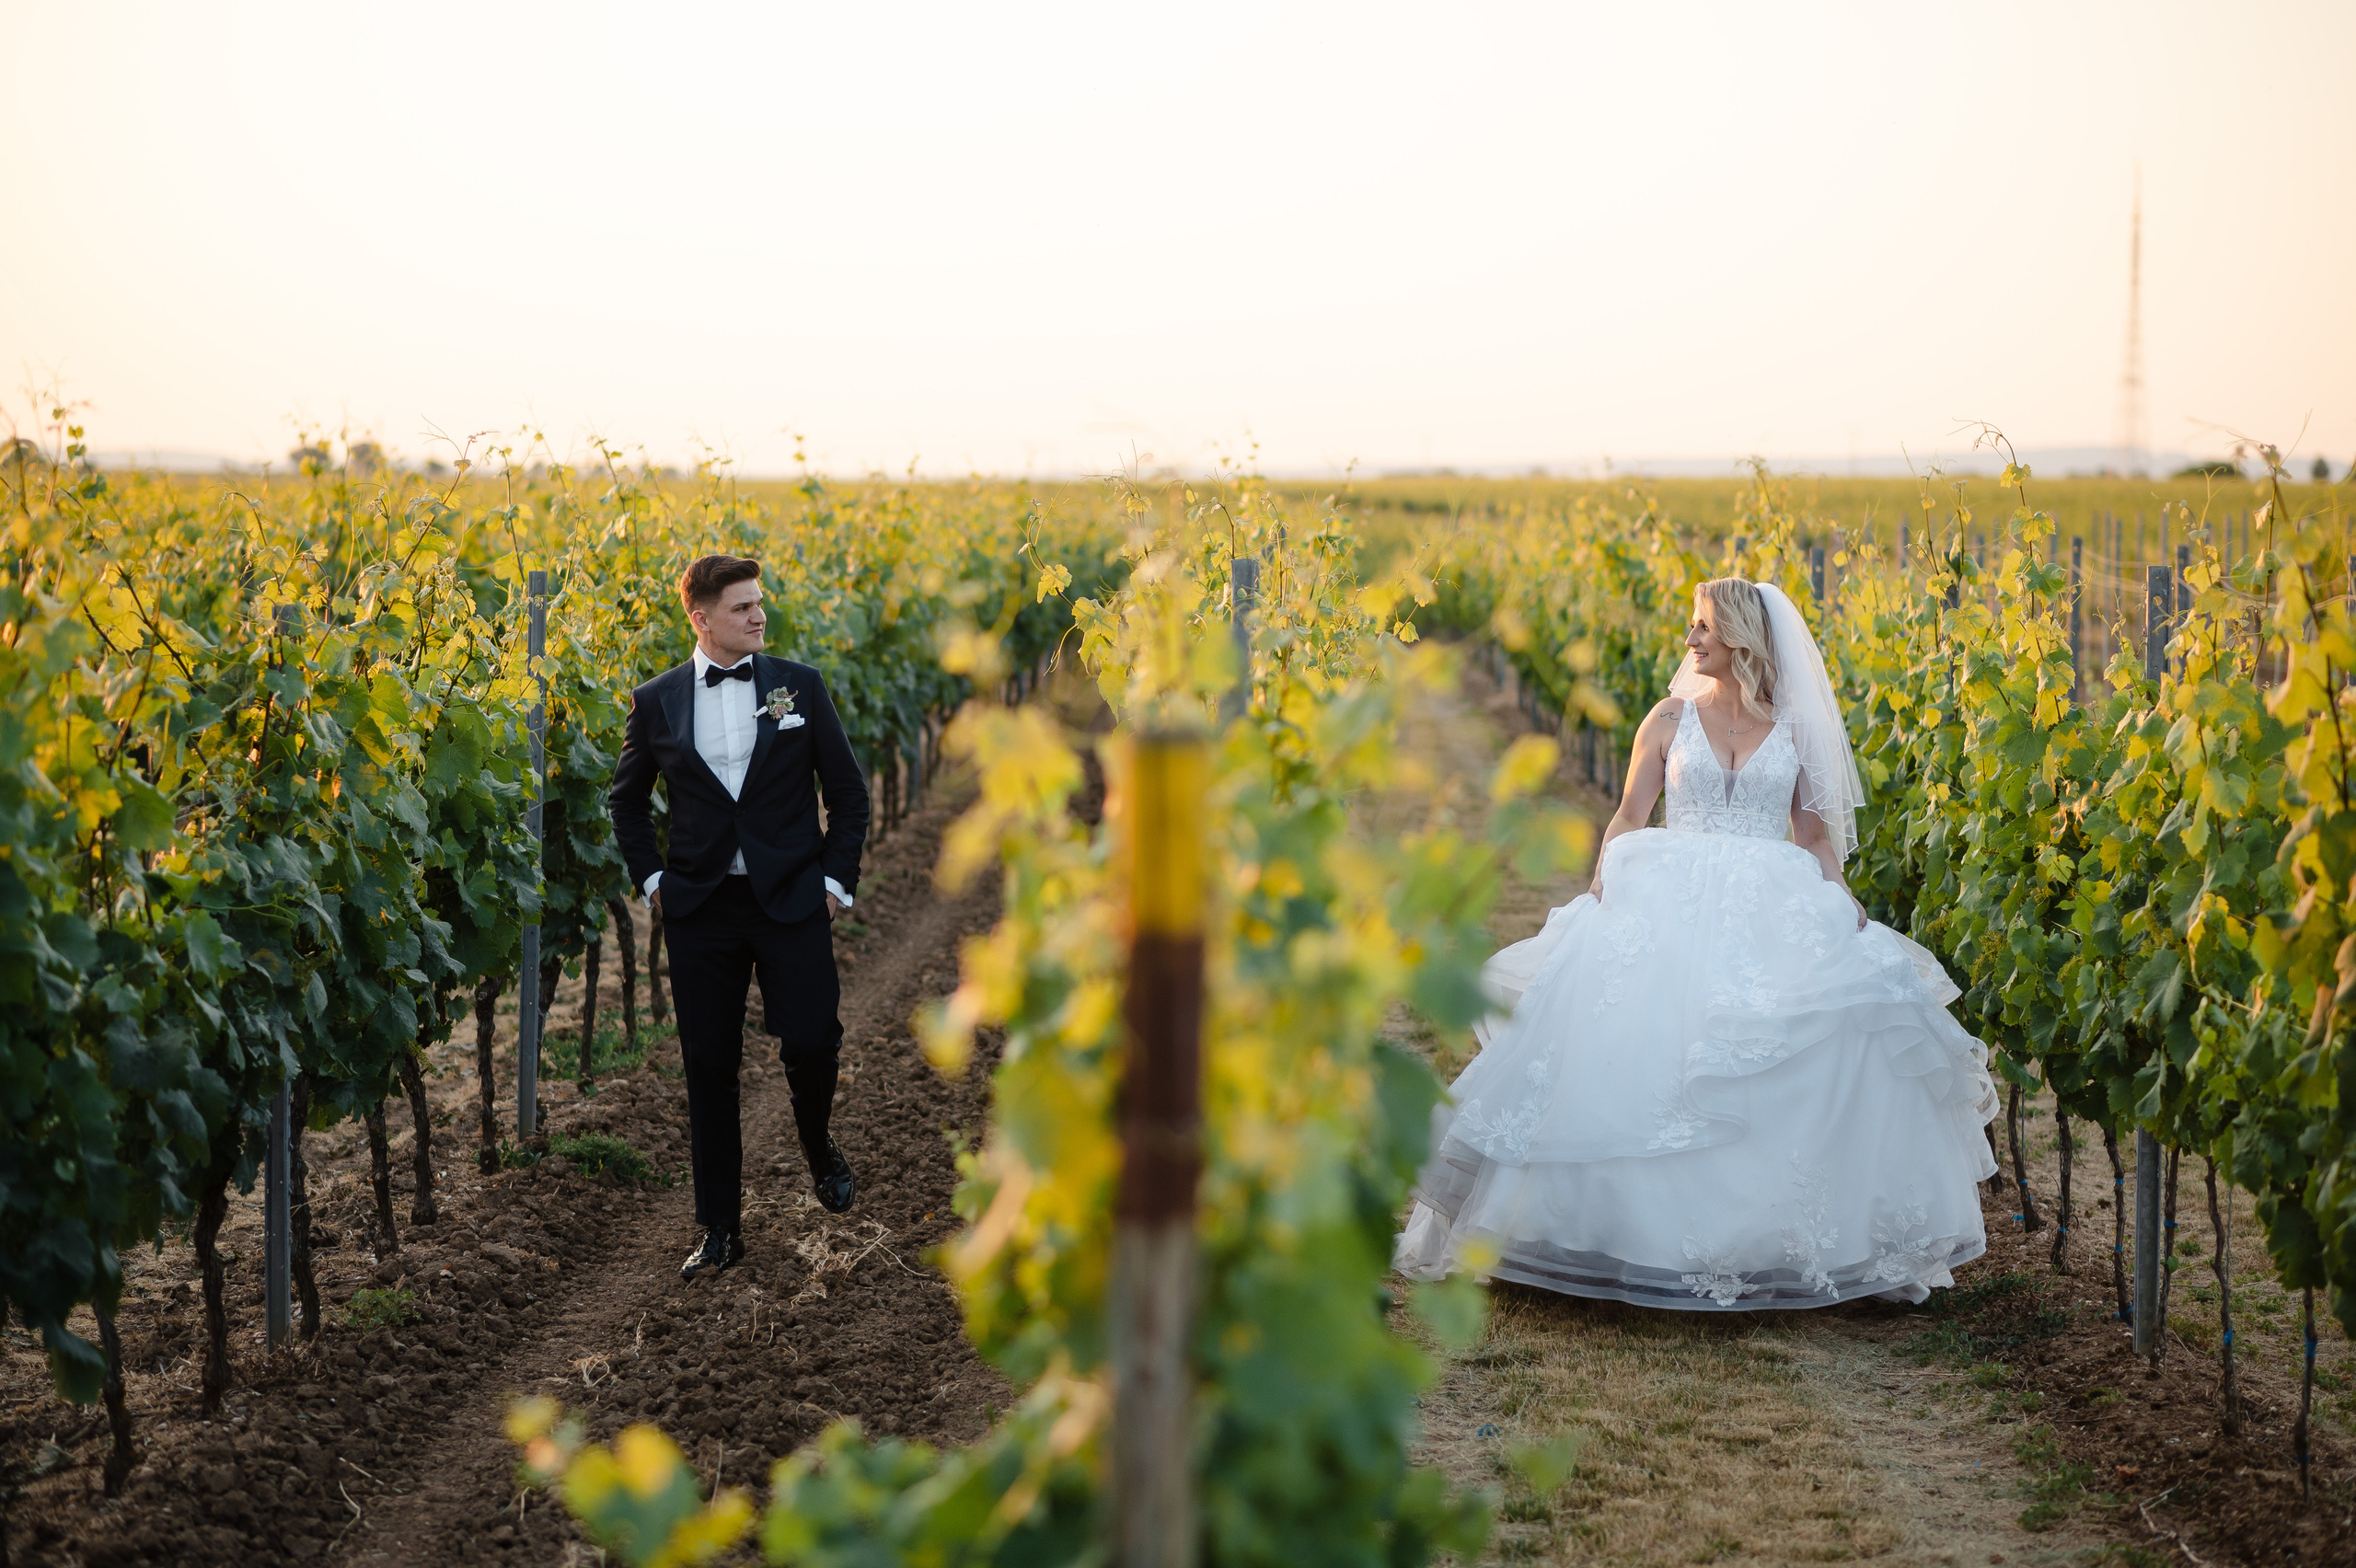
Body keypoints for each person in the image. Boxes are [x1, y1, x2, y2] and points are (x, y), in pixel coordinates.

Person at [1396, 577, 2001, 1309]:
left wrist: (1839, 895)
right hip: (1669, 889)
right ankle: (1602, 1232)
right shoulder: (1667, 718)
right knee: (1639, 1047)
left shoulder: (1795, 731)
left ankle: (1769, 1242)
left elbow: (1812, 835)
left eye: (1704, 627)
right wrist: (1604, 876)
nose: (1691, 639)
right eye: (1693, 626)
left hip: (1769, 898)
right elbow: (1630, 815)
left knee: (1794, 1041)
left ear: (1742, 637)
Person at [609, 554, 871, 1283]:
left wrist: (833, 883)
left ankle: (817, 1141)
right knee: (709, 1066)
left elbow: (848, 794)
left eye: (760, 603)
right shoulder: (656, 701)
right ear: (701, 619)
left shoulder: (799, 686)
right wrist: (654, 882)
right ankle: (720, 1228)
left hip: (792, 899)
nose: (759, 616)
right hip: (702, 910)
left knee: (813, 1041)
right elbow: (627, 802)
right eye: (742, 607)